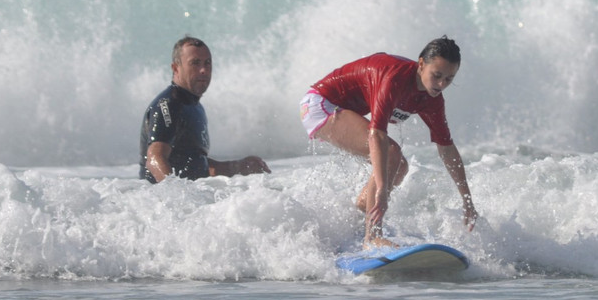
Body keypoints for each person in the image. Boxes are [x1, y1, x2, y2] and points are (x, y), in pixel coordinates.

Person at [300, 36, 478, 245]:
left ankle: (357, 222)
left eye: (449, 79)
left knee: (400, 166)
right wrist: (383, 193)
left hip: (343, 110)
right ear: (421, 65)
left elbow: (446, 148)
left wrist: (467, 200)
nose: (441, 84)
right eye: (437, 75)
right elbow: (378, 135)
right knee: (391, 155)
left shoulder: (432, 100)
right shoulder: (394, 78)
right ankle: (372, 237)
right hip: (320, 104)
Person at [140, 36, 270, 182]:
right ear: (176, 68)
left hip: (191, 196)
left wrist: (238, 166)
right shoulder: (168, 105)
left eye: (207, 63)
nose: (203, 70)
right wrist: (179, 197)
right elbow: (154, 159)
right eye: (195, 63)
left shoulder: (195, 107)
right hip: (159, 201)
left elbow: (196, 164)